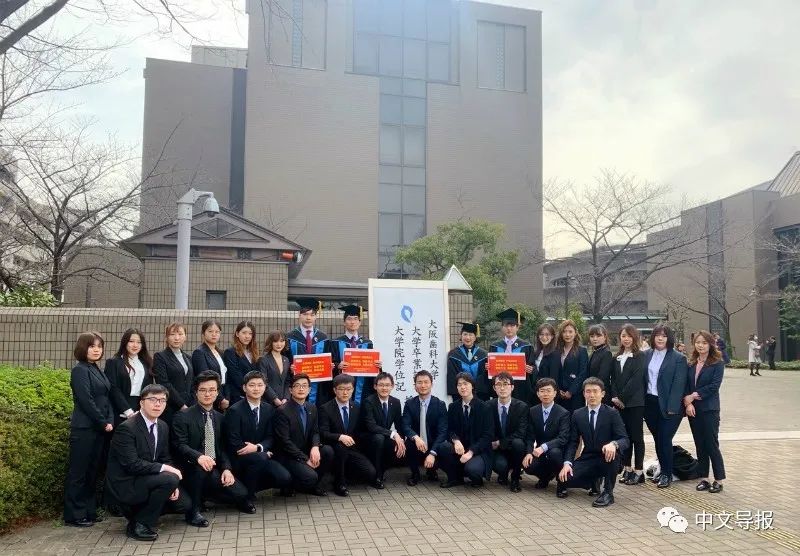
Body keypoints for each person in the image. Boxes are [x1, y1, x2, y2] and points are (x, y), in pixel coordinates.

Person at [105, 384, 193, 540]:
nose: (158, 404)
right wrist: (167, 473)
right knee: (170, 478)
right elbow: (132, 464)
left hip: (148, 478)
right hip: (126, 482)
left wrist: (174, 485)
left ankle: (141, 511)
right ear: (141, 402)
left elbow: (165, 457)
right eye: (152, 399)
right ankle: (138, 524)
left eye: (162, 400)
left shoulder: (163, 426)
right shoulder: (127, 428)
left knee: (184, 504)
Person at [171, 371, 252, 520]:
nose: (207, 394)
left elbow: (223, 448)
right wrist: (198, 457)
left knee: (241, 494)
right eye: (203, 390)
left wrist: (227, 469)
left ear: (217, 393)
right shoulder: (182, 416)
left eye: (212, 390)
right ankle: (193, 512)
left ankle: (206, 495)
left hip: (214, 467)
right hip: (191, 467)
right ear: (195, 392)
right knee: (199, 469)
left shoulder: (220, 418)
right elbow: (179, 444)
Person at [64, 331, 114, 527]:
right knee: (79, 472)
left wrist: (109, 419)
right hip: (84, 428)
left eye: (99, 346)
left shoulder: (96, 369)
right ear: (82, 348)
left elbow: (106, 398)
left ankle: (88, 511)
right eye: (92, 346)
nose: (96, 350)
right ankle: (74, 515)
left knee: (92, 471)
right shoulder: (80, 371)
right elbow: (86, 401)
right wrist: (103, 421)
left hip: (99, 429)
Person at [556, 377, 629, 507]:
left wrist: (614, 444)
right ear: (584, 394)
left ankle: (608, 493)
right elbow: (573, 442)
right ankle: (593, 480)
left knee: (613, 454)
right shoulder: (578, 414)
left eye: (595, 391)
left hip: (608, 457)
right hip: (588, 457)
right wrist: (567, 463)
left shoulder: (612, 413)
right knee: (564, 480)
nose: (592, 395)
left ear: (603, 394)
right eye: (588, 391)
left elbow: (624, 439)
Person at [223, 371, 292, 503]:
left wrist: (259, 448)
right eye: (252, 385)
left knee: (284, 477)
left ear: (265, 387)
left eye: (260, 385)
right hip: (239, 457)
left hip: (260, 454)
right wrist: (261, 452)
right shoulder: (234, 411)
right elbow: (233, 441)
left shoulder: (269, 409)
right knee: (260, 458)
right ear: (244, 388)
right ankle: (246, 496)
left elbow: (271, 437)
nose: (256, 389)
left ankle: (253, 487)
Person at [272, 373, 333, 496]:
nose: (301, 389)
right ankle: (289, 486)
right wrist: (305, 459)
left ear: (309, 389)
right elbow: (284, 442)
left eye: (305, 386)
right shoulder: (282, 411)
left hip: (304, 449)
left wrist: (315, 446)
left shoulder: (312, 407)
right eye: (297, 386)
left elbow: (315, 431)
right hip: (288, 455)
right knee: (310, 477)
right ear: (290, 390)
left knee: (327, 451)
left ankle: (313, 486)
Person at [643, 324, 687, 488]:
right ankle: (662, 470)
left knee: (664, 438)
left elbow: (679, 384)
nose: (660, 338)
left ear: (669, 339)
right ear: (653, 337)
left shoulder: (678, 358)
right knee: (657, 439)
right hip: (650, 403)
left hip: (669, 406)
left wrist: (672, 407)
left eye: (664, 336)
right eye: (657, 335)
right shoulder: (645, 355)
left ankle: (667, 474)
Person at [319, 373, 378, 496]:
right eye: (341, 389)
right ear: (334, 390)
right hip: (334, 448)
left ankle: (345, 473)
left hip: (352, 449)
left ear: (353, 390)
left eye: (348, 389)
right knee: (340, 447)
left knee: (370, 473)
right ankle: (339, 483)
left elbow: (361, 430)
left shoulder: (357, 407)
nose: (345, 393)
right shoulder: (325, 408)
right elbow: (323, 433)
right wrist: (339, 437)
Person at [685, 330, 726, 494]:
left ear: (710, 344)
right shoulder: (692, 362)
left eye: (704, 342)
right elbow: (686, 386)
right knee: (699, 444)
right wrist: (687, 404)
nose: (700, 345)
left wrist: (692, 397)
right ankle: (704, 477)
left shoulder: (717, 363)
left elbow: (713, 386)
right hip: (693, 409)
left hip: (709, 409)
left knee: (711, 444)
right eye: (697, 342)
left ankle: (719, 479)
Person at [439, 373, 493, 488]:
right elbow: (450, 429)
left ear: (472, 386)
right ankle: (455, 478)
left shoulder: (484, 408)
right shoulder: (453, 407)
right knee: (443, 448)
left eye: (465, 384)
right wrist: (456, 440)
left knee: (472, 469)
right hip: (461, 448)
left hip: (478, 450)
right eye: (459, 385)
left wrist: (471, 452)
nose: (462, 387)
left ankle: (477, 478)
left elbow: (487, 436)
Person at [610, 324, 647, 486]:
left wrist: (621, 398)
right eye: (623, 336)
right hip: (619, 403)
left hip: (635, 403)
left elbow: (636, 380)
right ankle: (628, 468)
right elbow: (613, 380)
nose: (626, 339)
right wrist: (614, 396)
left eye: (629, 336)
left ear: (635, 337)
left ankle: (639, 471)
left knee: (637, 437)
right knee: (625, 437)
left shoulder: (640, 356)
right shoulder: (616, 356)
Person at [523, 377, 570, 490]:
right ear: (538, 394)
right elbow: (530, 435)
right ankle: (545, 477)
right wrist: (529, 452)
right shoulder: (533, 411)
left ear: (555, 393)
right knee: (528, 465)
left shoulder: (563, 413)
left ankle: (562, 482)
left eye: (549, 391)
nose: (545, 394)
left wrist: (544, 447)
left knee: (554, 453)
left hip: (557, 451)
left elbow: (563, 438)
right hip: (539, 453)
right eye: (542, 391)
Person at [402, 370, 448, 486]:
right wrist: (416, 437)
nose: (423, 385)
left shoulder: (440, 404)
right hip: (418, 443)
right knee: (408, 443)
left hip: (433, 443)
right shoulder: (409, 404)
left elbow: (443, 432)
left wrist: (432, 453)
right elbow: (405, 425)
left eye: (426, 382)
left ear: (431, 384)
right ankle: (415, 474)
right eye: (419, 382)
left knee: (443, 446)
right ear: (415, 386)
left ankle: (432, 470)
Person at [361, 372, 406, 488]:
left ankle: (380, 472)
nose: (384, 388)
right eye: (381, 385)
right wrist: (392, 434)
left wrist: (401, 440)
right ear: (375, 386)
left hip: (383, 436)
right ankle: (377, 476)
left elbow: (399, 424)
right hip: (368, 437)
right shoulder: (368, 401)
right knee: (379, 438)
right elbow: (371, 426)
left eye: (387, 385)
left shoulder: (395, 402)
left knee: (395, 444)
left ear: (392, 386)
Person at [329, 305, 381, 405]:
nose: (352, 322)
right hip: (342, 387)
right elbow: (330, 363)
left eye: (356, 319)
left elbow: (372, 367)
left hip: (363, 388)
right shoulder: (335, 342)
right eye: (349, 319)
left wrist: (378, 366)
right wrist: (338, 365)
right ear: (344, 322)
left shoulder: (367, 343)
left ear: (360, 322)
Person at [487, 372, 529, 492]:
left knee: (518, 443)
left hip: (513, 448)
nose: (502, 387)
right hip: (497, 450)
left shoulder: (522, 407)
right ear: (494, 388)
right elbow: (487, 430)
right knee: (501, 466)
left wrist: (500, 442)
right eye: (498, 384)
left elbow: (521, 433)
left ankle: (515, 478)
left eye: (506, 384)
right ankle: (503, 473)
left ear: (512, 387)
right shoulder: (488, 406)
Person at [285, 298, 329, 406]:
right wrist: (289, 367)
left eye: (312, 314)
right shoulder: (290, 337)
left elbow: (328, 360)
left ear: (316, 317)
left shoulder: (323, 337)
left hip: (317, 386)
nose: (308, 318)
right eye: (305, 314)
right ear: (299, 315)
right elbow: (284, 359)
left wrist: (330, 366)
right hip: (296, 384)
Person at [106, 328, 155, 426]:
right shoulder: (113, 362)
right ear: (125, 342)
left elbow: (148, 389)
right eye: (131, 341)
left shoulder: (147, 363)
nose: (135, 345)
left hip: (141, 410)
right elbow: (113, 388)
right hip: (119, 411)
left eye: (139, 342)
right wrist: (128, 412)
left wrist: (143, 411)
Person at [489, 308, 535, 405]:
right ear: (502, 327)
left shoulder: (527, 346)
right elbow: (490, 372)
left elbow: (533, 367)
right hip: (501, 388)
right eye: (506, 325)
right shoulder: (494, 346)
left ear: (517, 327)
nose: (509, 328)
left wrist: (531, 369)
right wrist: (488, 368)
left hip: (521, 389)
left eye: (512, 325)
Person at [153, 322, 194, 425]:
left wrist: (192, 404)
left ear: (185, 337)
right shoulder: (160, 356)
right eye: (172, 334)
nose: (177, 338)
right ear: (167, 337)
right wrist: (181, 404)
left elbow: (193, 381)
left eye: (180, 334)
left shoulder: (188, 358)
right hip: (171, 407)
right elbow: (164, 384)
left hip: (189, 407)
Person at [191, 319, 230, 410]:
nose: (214, 334)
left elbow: (225, 377)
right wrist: (221, 399)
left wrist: (227, 397)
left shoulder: (220, 352)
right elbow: (205, 377)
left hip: (223, 394)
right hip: (210, 396)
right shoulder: (199, 352)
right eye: (210, 331)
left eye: (217, 332)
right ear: (203, 333)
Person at [447, 322, 490, 401]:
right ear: (461, 336)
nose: (468, 337)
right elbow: (452, 376)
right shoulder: (453, 354)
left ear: (475, 337)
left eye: (470, 335)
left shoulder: (483, 354)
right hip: (460, 395)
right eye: (465, 334)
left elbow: (485, 377)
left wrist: (489, 370)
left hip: (480, 394)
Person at [222, 321, 259, 406]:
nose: (247, 336)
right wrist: (250, 390)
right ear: (237, 334)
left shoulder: (253, 352)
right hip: (237, 396)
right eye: (244, 333)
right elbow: (235, 375)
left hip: (253, 395)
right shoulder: (230, 352)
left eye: (250, 333)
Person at [555, 320, 589, 412]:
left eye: (570, 332)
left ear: (575, 333)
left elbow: (583, 372)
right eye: (564, 331)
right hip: (559, 393)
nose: (567, 334)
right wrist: (557, 389)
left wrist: (571, 391)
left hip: (575, 394)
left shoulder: (582, 351)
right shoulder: (557, 350)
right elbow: (555, 371)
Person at [259, 331, 292, 408]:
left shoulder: (286, 360)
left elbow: (287, 381)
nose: (279, 344)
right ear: (270, 342)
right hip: (267, 402)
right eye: (275, 341)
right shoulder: (264, 360)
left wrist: (286, 398)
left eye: (282, 341)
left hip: (284, 403)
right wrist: (274, 398)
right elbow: (263, 382)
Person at [587, 324, 614, 406]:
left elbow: (603, 376)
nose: (595, 339)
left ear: (605, 337)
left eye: (598, 336)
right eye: (592, 336)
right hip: (592, 392)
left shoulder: (606, 353)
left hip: (601, 395)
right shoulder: (594, 352)